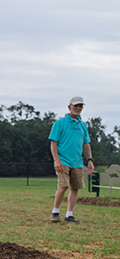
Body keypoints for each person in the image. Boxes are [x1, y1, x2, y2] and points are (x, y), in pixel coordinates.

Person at [49, 96, 95, 224]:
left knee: (75, 188)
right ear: (69, 107)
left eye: (80, 106)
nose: (78, 108)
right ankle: (55, 212)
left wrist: (90, 160)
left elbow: (86, 144)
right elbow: (53, 143)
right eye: (76, 106)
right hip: (63, 161)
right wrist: (56, 160)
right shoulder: (60, 123)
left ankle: (69, 215)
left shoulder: (82, 125)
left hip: (77, 162)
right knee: (63, 186)